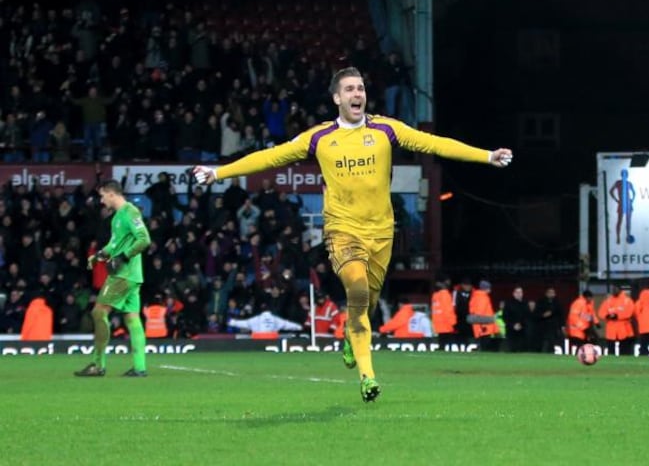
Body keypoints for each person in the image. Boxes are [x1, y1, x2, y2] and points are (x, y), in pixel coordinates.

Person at [190, 67, 513, 402]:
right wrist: (218, 172)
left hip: (382, 233)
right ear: (336, 98)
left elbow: (434, 143)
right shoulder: (320, 137)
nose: (357, 94)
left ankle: (350, 335)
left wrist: (486, 156)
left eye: (360, 88)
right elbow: (270, 157)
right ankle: (368, 377)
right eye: (349, 89)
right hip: (343, 231)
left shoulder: (386, 129)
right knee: (357, 289)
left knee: (367, 305)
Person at [74, 180, 152, 378]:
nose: (101, 200)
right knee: (132, 318)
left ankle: (98, 365)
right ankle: (140, 367)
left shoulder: (130, 212)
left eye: (102, 196)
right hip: (133, 276)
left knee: (98, 313)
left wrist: (123, 257)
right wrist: (99, 255)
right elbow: (114, 244)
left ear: (111, 193)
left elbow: (144, 239)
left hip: (123, 274)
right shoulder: (117, 217)